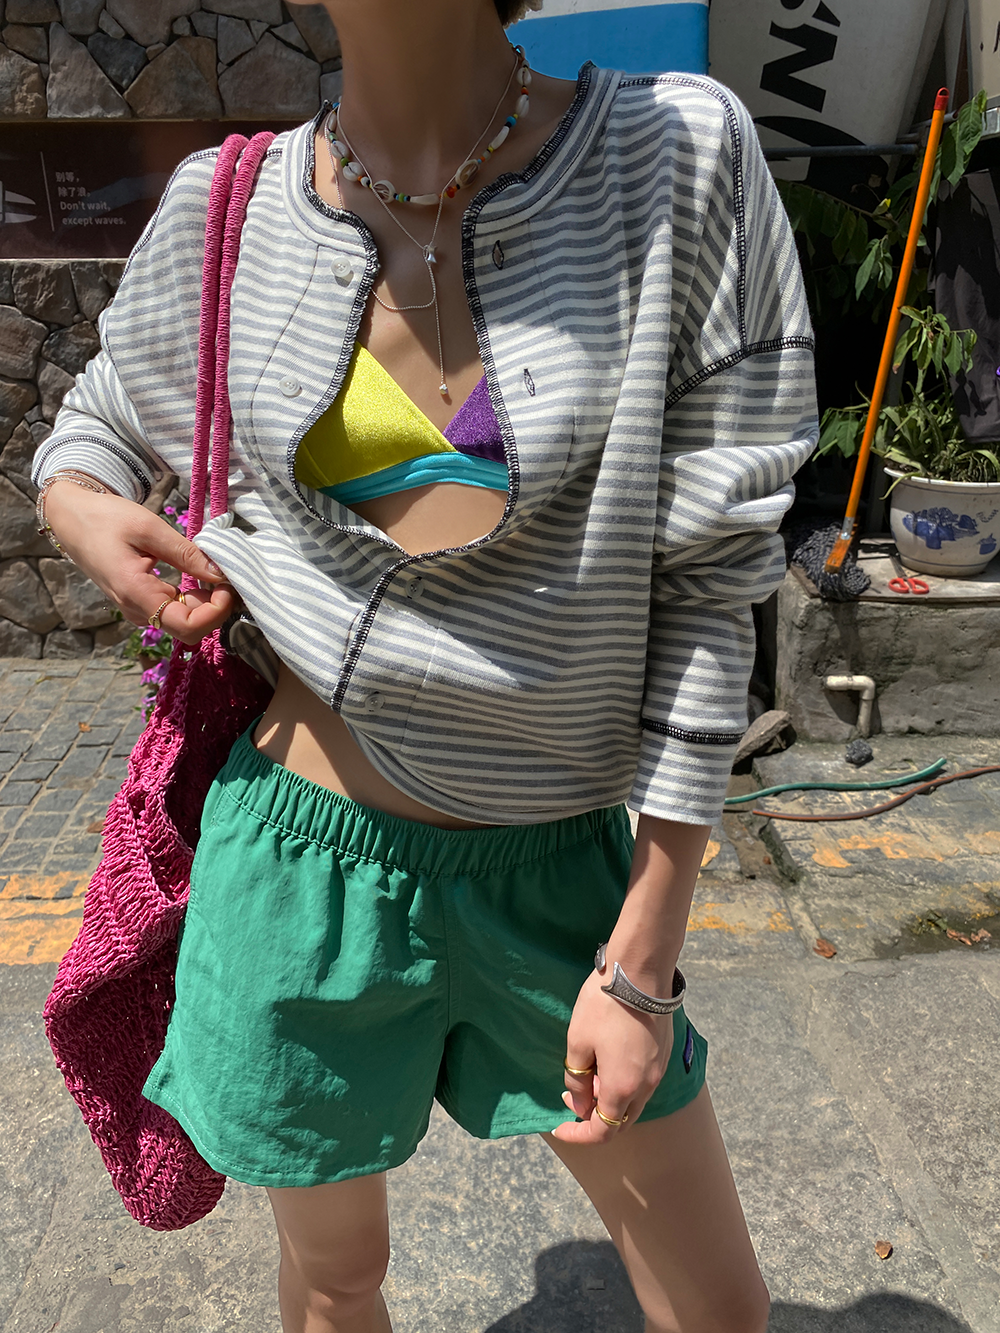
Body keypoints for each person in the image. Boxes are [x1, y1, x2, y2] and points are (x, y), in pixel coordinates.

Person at [33, 1, 817, 1329]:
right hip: (295, 867)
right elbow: (90, 432)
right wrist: (88, 514)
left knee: (717, 1309)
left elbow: (712, 583)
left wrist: (644, 954)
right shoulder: (231, 207)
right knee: (336, 1282)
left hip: (564, 881)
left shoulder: (675, 156)